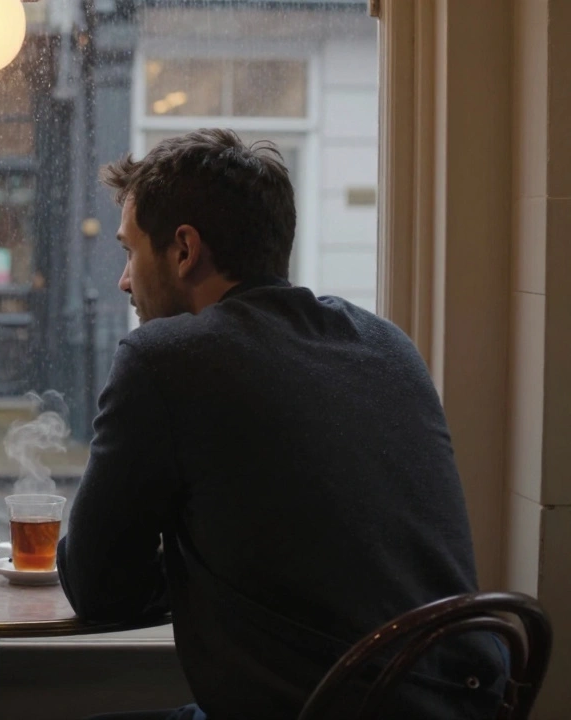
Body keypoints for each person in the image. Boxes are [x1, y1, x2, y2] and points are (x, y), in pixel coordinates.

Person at [57, 129, 506, 720]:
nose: (124, 280)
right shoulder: (387, 344)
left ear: (184, 249)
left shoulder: (166, 359)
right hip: (464, 704)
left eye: (129, 251)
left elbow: (98, 588)